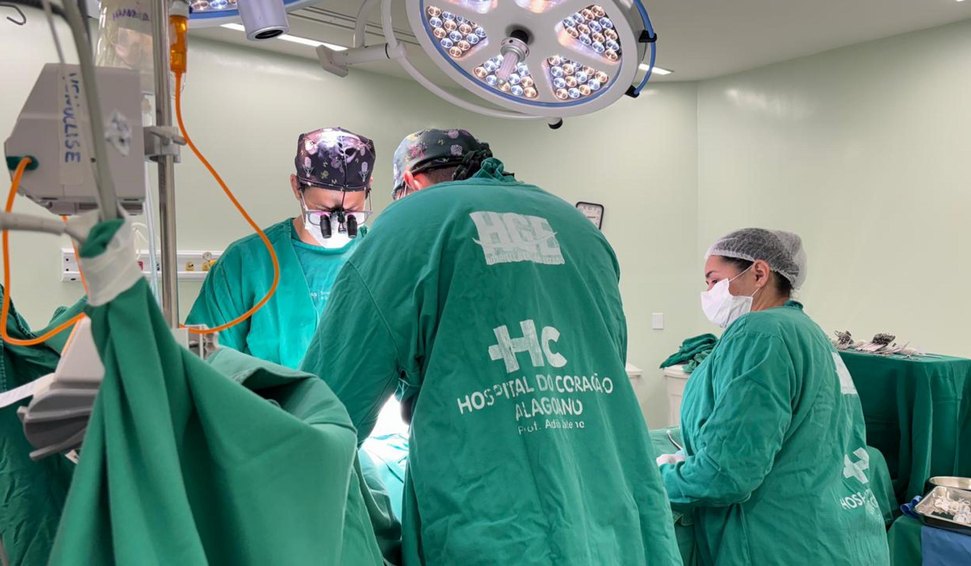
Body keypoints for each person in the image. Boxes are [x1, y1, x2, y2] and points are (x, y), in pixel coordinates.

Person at [301, 129, 683, 565]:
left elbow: (326, 410)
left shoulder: (408, 225)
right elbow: (606, 359)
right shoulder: (579, 230)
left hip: (496, 529)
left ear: (409, 182)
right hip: (614, 516)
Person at [658, 228, 890, 565]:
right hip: (841, 537)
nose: (708, 294)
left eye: (714, 281)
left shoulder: (760, 333)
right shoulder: (808, 333)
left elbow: (727, 474)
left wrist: (660, 478)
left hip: (779, 542)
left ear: (759, 273)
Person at [187, 127, 375, 369]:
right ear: (297, 187)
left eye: (351, 211)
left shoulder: (381, 259)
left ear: (368, 188)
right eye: (323, 211)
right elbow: (202, 358)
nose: (338, 223)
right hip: (266, 395)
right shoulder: (245, 262)